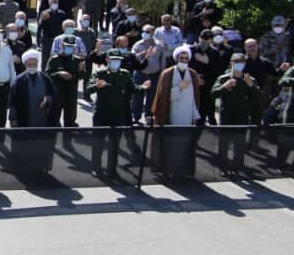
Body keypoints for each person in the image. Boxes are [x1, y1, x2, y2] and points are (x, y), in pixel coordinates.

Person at [87, 52, 147, 177]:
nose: (116, 62)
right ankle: (96, 168)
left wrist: (143, 87)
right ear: (108, 60)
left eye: (118, 60)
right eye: (114, 60)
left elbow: (133, 88)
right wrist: (97, 85)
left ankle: (112, 170)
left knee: (114, 144)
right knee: (98, 143)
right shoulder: (100, 73)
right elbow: (89, 88)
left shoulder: (124, 74)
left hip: (117, 114)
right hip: (101, 114)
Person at [150, 45, 202, 178]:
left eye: (186, 58)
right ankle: (168, 170)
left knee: (185, 143)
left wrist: (195, 114)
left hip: (187, 115)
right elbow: (163, 96)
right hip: (171, 114)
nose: (184, 60)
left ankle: (184, 171)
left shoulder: (193, 73)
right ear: (176, 58)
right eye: (181, 57)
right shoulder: (167, 73)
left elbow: (196, 97)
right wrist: (179, 88)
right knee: (171, 144)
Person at [8, 50, 56, 170]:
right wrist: (13, 118)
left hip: (42, 119)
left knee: (41, 143)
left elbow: (52, 93)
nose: (32, 66)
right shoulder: (19, 80)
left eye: (34, 64)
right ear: (25, 65)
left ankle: (41, 167)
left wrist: (47, 99)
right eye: (29, 64)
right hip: (25, 118)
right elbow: (13, 101)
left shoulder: (45, 78)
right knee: (25, 144)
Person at [211, 53, 258, 174]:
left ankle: (238, 168)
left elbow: (258, 97)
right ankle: (223, 168)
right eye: (237, 62)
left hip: (242, 116)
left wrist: (251, 86)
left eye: (242, 63)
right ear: (231, 64)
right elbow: (213, 94)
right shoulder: (223, 79)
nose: (239, 65)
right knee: (224, 144)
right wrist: (224, 87)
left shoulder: (249, 80)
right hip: (226, 115)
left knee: (240, 145)